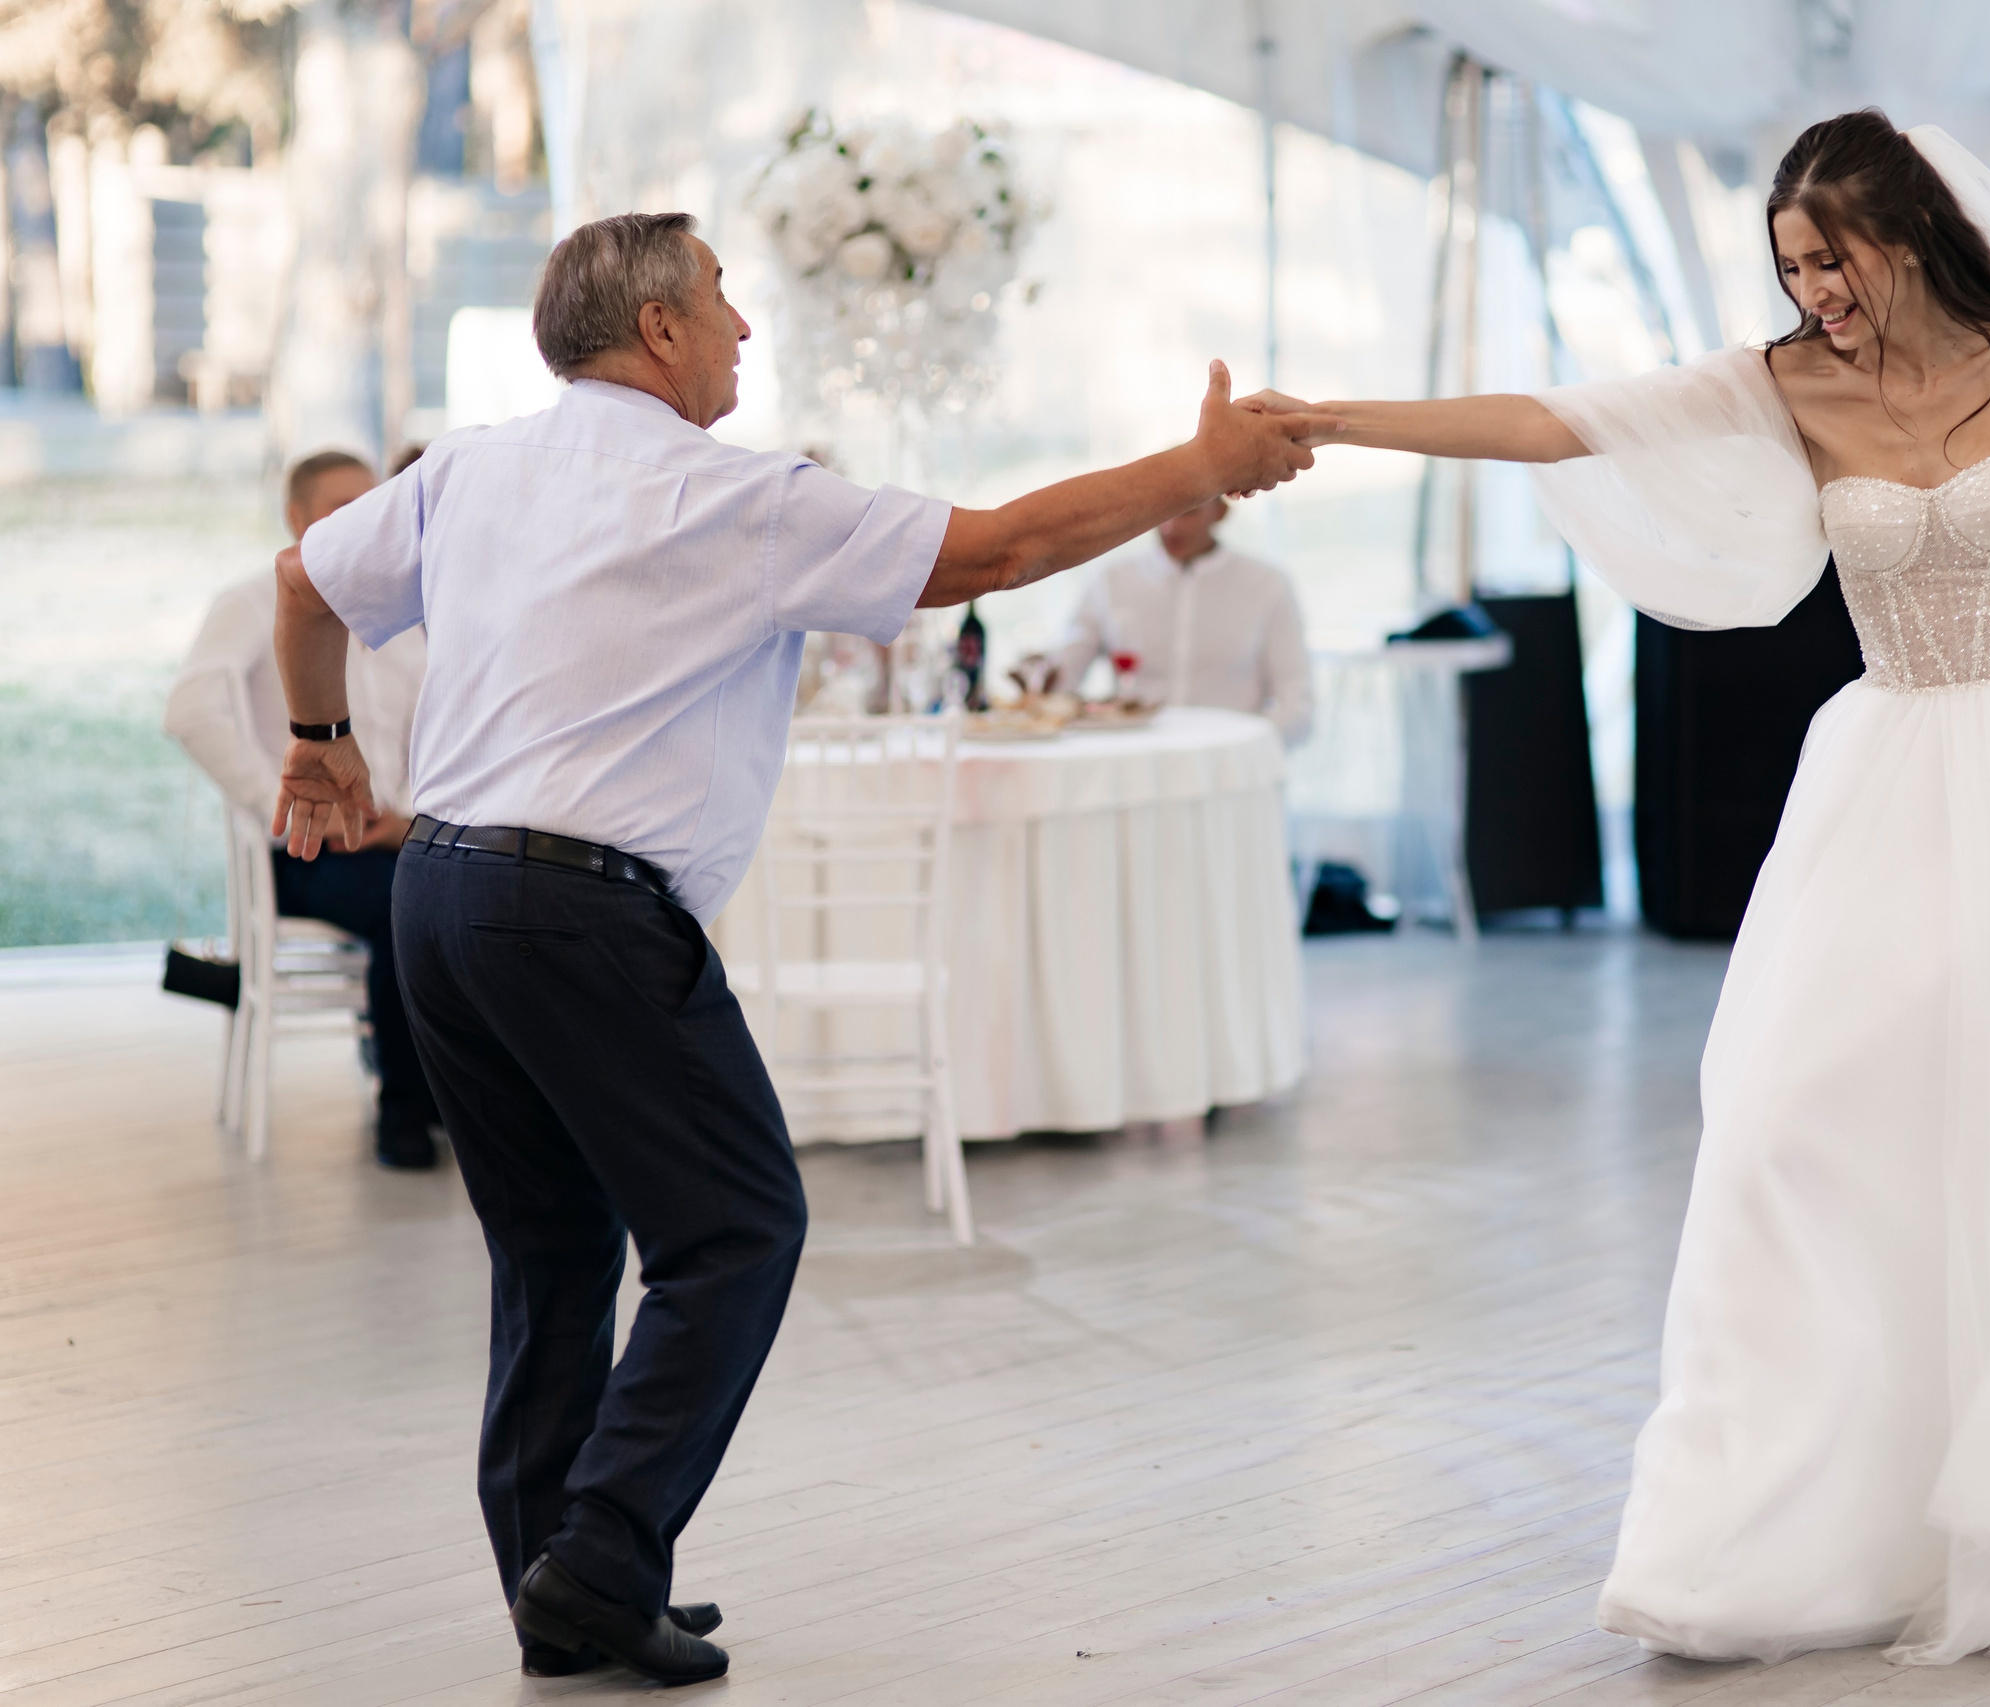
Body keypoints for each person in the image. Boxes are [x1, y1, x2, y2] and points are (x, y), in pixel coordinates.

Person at [1242, 111, 1990, 1665]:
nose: (1813, 286)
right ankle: (1761, 1535)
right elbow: (1558, 420)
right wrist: (1336, 417)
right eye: (1793, 263)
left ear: (1909, 232)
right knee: (1792, 1125)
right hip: (1892, 780)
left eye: (1833, 256)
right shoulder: (1782, 384)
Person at [266, 211, 1334, 1686]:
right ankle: (602, 1553)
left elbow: (302, 580)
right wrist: (1199, 467)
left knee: (556, 1245)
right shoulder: (739, 496)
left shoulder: (471, 465)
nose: (744, 327)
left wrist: (319, 743)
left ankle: (564, 1576)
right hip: (582, 908)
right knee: (738, 1228)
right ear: (656, 330)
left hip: (442, 893)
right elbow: (1001, 547)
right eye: (722, 298)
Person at [164, 450, 441, 1168]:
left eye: (368, 506)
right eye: (337, 507)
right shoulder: (255, 601)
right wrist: (281, 806)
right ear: (296, 518)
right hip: (303, 853)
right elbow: (190, 710)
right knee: (408, 908)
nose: (358, 522)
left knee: (475, 891)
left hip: (392, 837)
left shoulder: (401, 619)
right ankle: (407, 1111)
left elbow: (427, 740)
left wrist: (402, 816)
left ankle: (456, 1092)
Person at [1039, 493, 1313, 743]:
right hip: (1133, 766)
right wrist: (1040, 679)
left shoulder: (1267, 584)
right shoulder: (1110, 580)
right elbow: (1062, 678)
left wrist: (1243, 753)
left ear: (1221, 511)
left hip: (1231, 775)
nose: (1171, 527)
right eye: (1161, 513)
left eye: (1188, 512)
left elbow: (1297, 704)